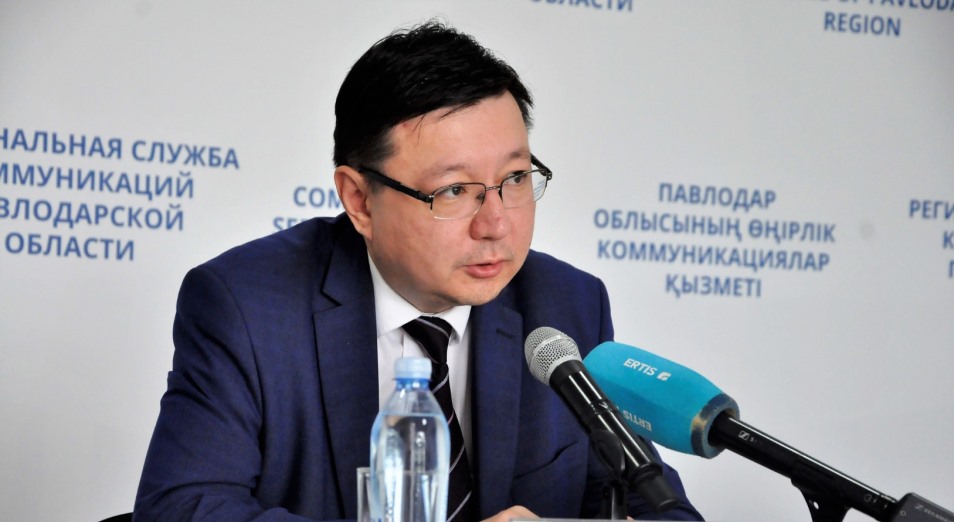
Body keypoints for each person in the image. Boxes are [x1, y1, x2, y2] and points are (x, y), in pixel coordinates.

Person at [134, 21, 703, 522]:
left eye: (515, 179)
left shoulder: (565, 306)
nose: (497, 224)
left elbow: (661, 506)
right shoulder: (247, 305)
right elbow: (181, 506)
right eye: (454, 191)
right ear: (360, 200)